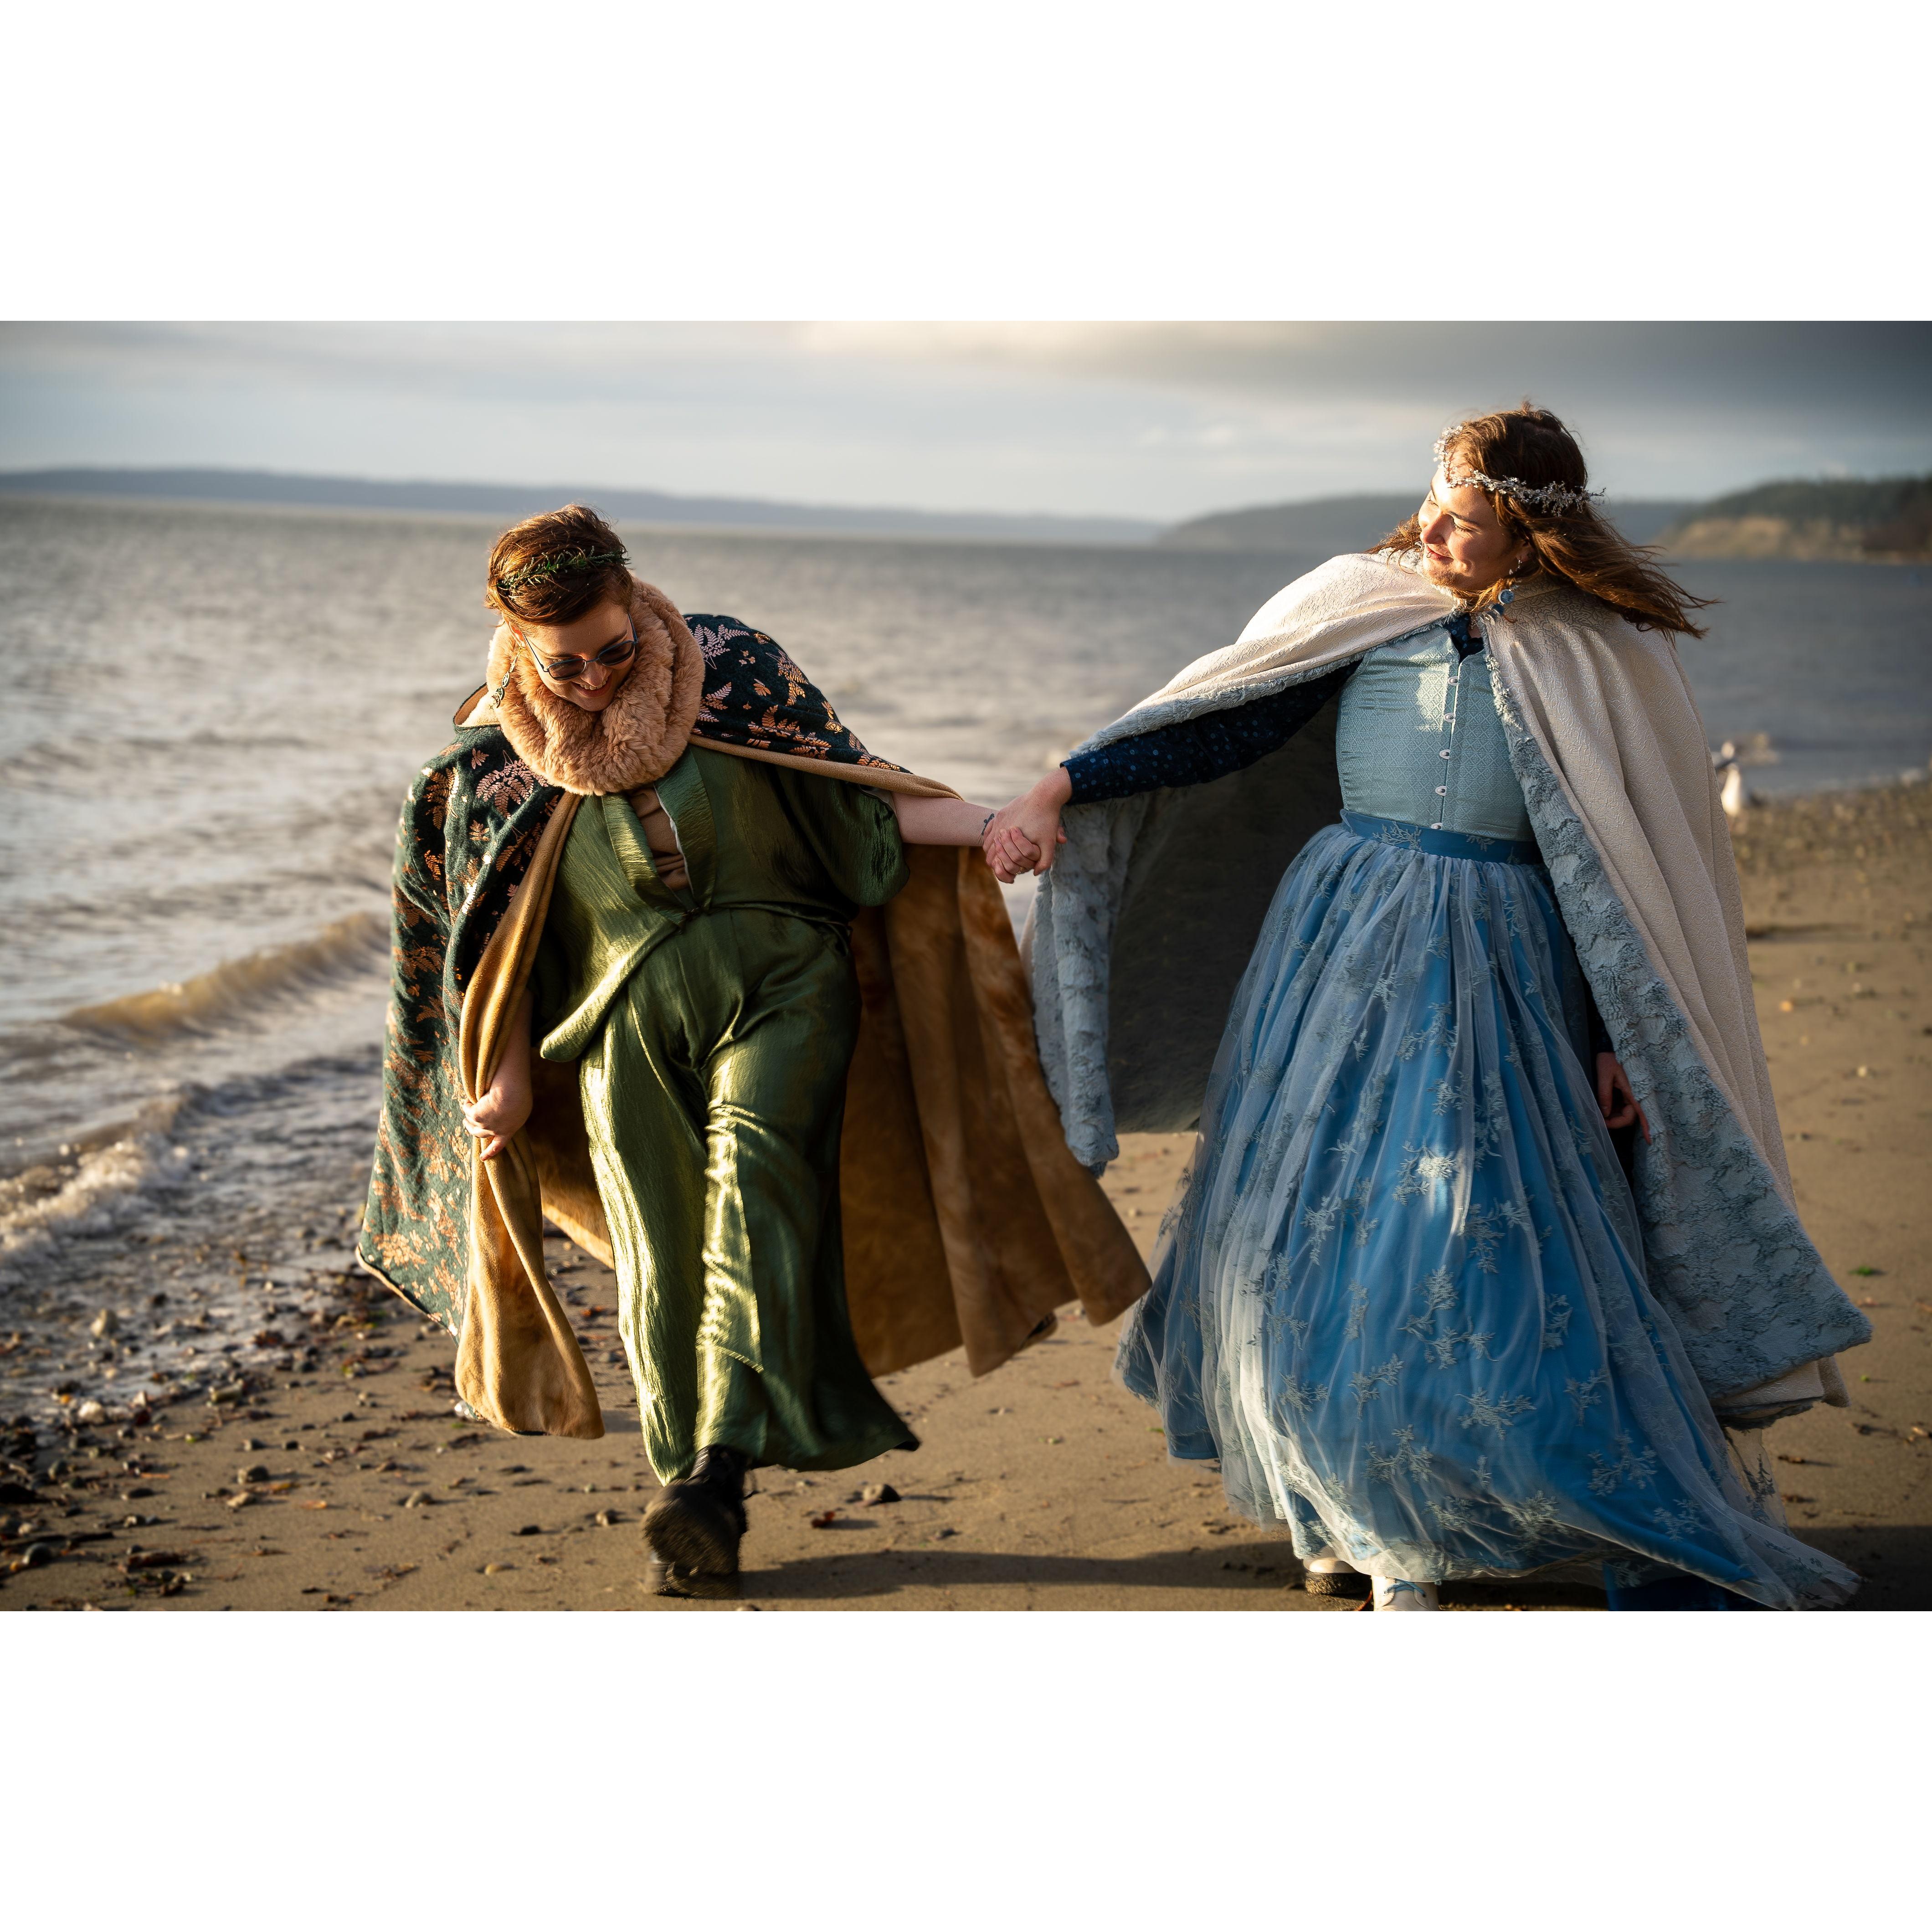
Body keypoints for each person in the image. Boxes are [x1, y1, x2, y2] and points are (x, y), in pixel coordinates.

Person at [985, 406, 1870, 1611]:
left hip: (1502, 963)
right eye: (1437, 509)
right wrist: (1059, 785)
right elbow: (1215, 725)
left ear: (1533, 535)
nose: (1436, 536)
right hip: (1338, 944)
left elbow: (1619, 871)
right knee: (1314, 1222)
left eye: (1467, 524)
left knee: (1467, 1222)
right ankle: (1342, 1509)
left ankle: (1446, 1501)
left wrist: (1620, 1038)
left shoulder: (1596, 653)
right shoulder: (1364, 605)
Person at [359, 507, 1145, 1598]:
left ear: (635, 602)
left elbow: (855, 799)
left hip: (786, 991)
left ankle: (716, 1476)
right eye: (564, 663)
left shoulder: (727, 669)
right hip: (617, 1029)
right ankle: (686, 1470)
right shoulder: (491, 760)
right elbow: (498, 939)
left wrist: (992, 825)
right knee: (657, 1253)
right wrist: (501, 1077)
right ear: (516, 644)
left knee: (756, 1198)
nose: (593, 679)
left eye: (611, 650)